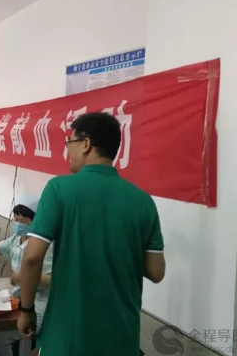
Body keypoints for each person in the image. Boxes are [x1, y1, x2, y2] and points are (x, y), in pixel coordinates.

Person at [17, 112, 166, 356]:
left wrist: (26, 310)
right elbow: (156, 272)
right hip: (122, 339)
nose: (68, 150)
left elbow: (32, 258)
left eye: (70, 142)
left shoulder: (59, 189)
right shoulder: (143, 200)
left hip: (67, 339)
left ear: (86, 144)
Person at [0, 195, 53, 356]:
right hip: (17, 299)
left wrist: (27, 276)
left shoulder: (47, 247)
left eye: (23, 221)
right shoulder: (16, 239)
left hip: (39, 305)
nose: (18, 224)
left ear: (36, 221)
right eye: (16, 219)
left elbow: (54, 281)